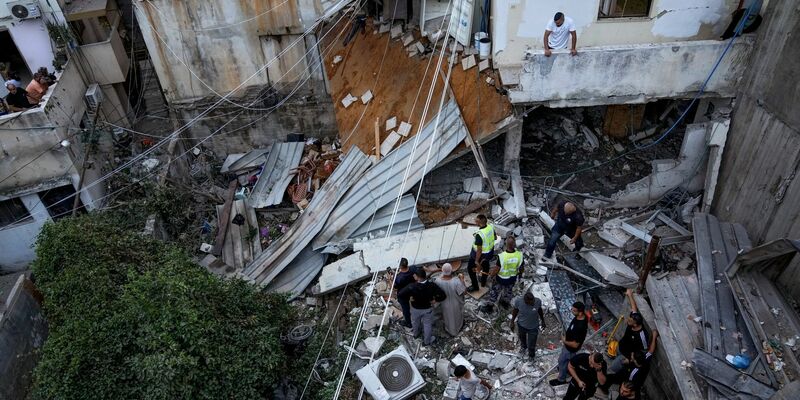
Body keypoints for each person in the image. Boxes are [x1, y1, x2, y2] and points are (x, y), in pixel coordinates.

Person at [398, 269, 446, 345]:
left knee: (415, 322)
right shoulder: (432, 285)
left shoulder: (412, 286)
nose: (413, 275)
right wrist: (435, 300)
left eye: (415, 275)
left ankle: (416, 334)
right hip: (427, 309)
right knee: (427, 325)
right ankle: (427, 341)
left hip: (415, 309)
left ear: (419, 277)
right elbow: (443, 295)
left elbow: (400, 294)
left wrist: (409, 298)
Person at [609, 289, 652, 375]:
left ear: (635, 324)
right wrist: (630, 295)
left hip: (626, 356)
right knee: (615, 356)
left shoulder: (642, 336)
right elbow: (634, 308)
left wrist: (630, 360)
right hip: (621, 347)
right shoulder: (634, 319)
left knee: (613, 368)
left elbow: (644, 351)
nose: (628, 320)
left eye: (630, 321)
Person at [551, 301, 588, 386]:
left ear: (580, 312)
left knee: (562, 361)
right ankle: (566, 369)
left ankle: (561, 379)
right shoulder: (580, 317)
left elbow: (575, 345)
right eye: (572, 309)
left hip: (570, 349)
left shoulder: (580, 327)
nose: (571, 311)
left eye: (574, 310)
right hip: (568, 346)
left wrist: (564, 341)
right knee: (566, 361)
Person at [487, 236, 524, 308]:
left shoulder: (502, 256)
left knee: (495, 291)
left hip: (501, 279)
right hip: (512, 278)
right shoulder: (519, 255)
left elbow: (496, 269)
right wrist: (520, 276)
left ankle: (490, 306)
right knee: (508, 291)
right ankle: (505, 303)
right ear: (514, 244)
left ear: (506, 244)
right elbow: (521, 268)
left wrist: (491, 275)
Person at [434, 263, 467, 336]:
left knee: (448, 317)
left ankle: (449, 330)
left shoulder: (437, 281)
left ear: (442, 271)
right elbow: (464, 292)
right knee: (457, 317)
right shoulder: (456, 281)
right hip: (455, 304)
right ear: (451, 270)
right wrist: (462, 279)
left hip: (444, 304)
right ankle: (458, 328)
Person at [510, 292, 545, 359]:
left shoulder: (538, 301)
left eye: (533, 301)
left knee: (532, 344)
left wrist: (543, 321)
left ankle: (531, 356)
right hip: (521, 325)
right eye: (530, 303)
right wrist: (512, 322)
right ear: (525, 301)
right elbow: (515, 311)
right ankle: (523, 347)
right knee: (522, 339)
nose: (533, 303)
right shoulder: (518, 302)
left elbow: (540, 310)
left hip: (533, 327)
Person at [466, 214, 496, 292]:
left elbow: (479, 250)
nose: (475, 221)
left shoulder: (480, 235)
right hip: (489, 252)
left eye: (476, 220)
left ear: (479, 222)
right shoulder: (490, 227)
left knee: (470, 269)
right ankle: (483, 282)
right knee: (486, 266)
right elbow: (495, 237)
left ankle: (475, 286)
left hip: (479, 255)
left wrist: (476, 261)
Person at [392, 258, 417, 328]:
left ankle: (408, 323)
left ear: (400, 266)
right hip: (413, 290)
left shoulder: (399, 277)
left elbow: (394, 288)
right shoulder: (413, 268)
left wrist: (390, 279)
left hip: (403, 294)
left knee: (405, 308)